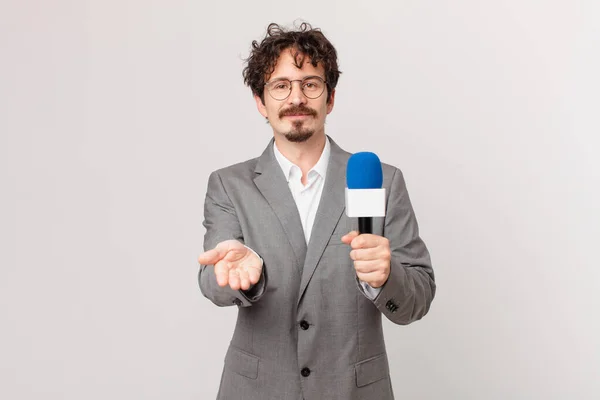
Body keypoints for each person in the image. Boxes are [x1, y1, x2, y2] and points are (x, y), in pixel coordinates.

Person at [197, 22, 435, 400]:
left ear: (330, 97)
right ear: (261, 100)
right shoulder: (229, 184)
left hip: (354, 391)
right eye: (281, 85)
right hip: (257, 390)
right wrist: (244, 274)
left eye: (310, 83)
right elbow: (212, 280)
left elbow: (417, 298)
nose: (297, 98)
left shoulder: (382, 181)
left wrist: (385, 277)